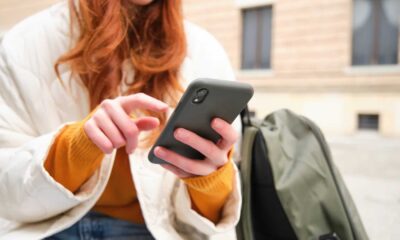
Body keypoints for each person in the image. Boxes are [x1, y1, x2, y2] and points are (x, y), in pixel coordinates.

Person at [0, 0, 242, 239]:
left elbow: (205, 227)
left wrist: (209, 180)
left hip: (156, 230)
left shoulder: (204, 50)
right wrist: (76, 147)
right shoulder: (24, 43)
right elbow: (6, 192)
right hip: (45, 226)